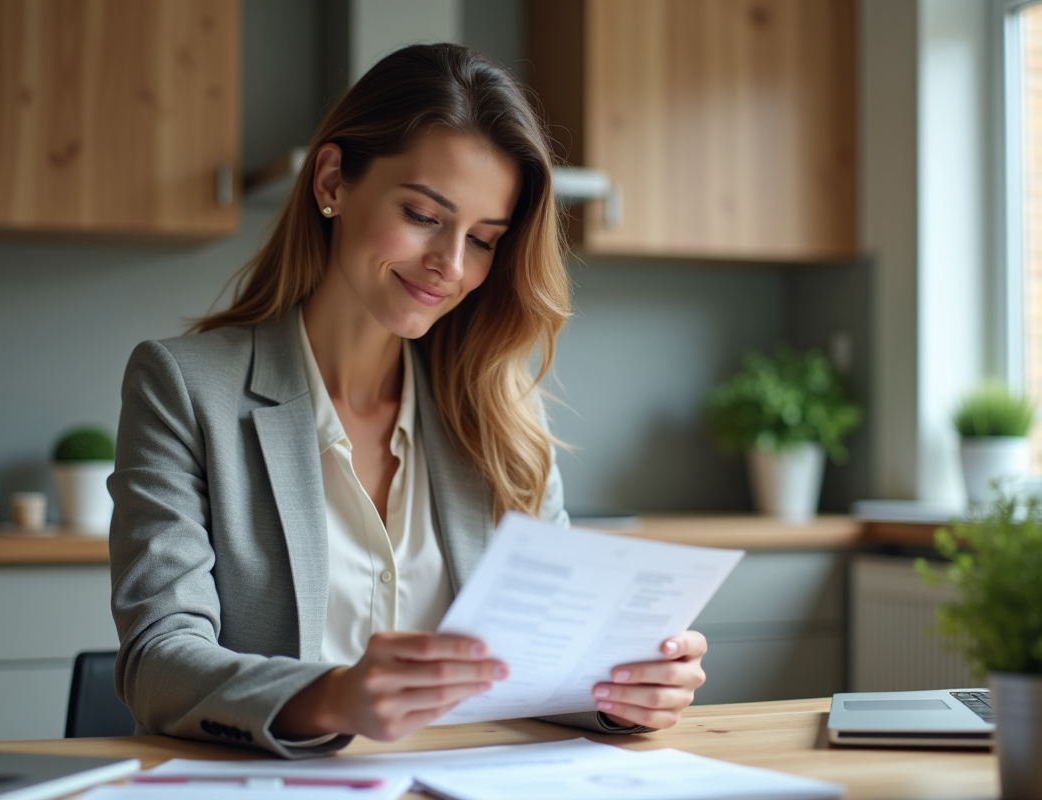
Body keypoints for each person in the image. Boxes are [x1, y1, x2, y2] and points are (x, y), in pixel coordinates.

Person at [109, 43, 708, 759]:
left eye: (484, 240)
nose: (451, 267)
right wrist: (332, 696)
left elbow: (550, 658)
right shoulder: (182, 388)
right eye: (424, 215)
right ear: (332, 179)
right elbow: (158, 660)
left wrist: (624, 691)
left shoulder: (501, 413)